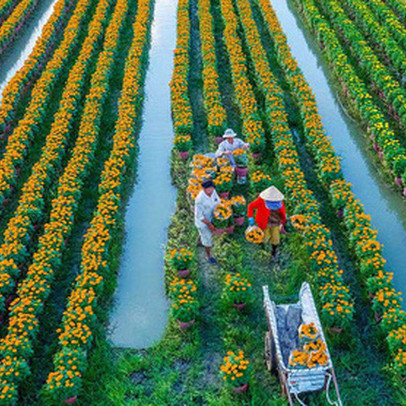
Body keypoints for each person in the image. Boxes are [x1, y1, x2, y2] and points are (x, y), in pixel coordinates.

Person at [247, 186, 287, 258]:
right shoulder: (261, 200)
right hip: (265, 222)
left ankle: (273, 253)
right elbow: (250, 206)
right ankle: (262, 249)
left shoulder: (280, 202)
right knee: (265, 237)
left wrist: (284, 224)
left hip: (276, 223)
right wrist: (251, 218)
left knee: (276, 239)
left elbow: (283, 213)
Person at [194, 179, 221, 264]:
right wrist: (210, 225)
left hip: (211, 218)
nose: (210, 190)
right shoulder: (199, 200)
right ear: (203, 189)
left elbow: (218, 202)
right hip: (203, 223)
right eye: (207, 189)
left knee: (204, 235)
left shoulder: (213, 192)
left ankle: (199, 240)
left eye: (211, 188)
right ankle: (208, 255)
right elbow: (200, 216)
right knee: (208, 239)